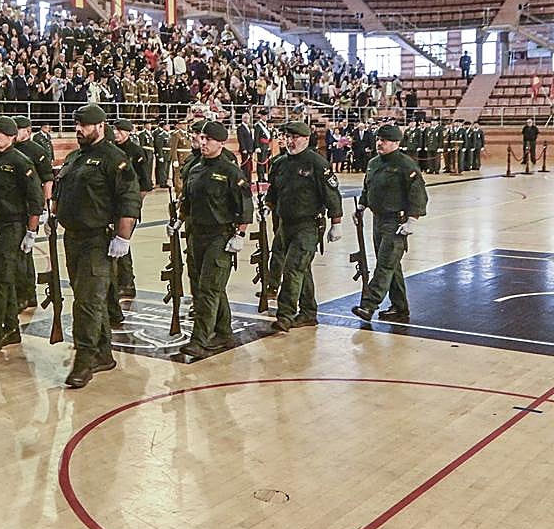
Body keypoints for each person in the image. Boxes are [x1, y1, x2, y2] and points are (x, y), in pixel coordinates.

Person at [51, 103, 141, 386]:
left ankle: (85, 358)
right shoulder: (75, 157)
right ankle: (103, 353)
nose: (79, 130)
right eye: (77, 124)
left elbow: (129, 201)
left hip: (97, 240)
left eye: (84, 125)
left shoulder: (115, 159)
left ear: (100, 126)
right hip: (73, 238)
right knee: (88, 297)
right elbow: (62, 189)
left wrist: (122, 238)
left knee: (87, 303)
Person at [179, 120, 254, 360]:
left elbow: (244, 206)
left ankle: (200, 340)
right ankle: (224, 331)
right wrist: (179, 221)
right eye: (201, 138)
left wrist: (240, 234)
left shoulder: (230, 171)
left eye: (208, 139)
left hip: (220, 236)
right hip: (196, 234)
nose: (202, 143)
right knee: (205, 286)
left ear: (221, 143)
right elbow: (187, 202)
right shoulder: (195, 168)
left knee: (209, 289)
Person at [265, 121, 343, 333]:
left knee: (293, 269)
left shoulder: (317, 163)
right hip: (285, 225)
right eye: (287, 137)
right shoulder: (280, 163)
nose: (290, 141)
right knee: (302, 269)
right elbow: (274, 190)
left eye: (295, 137)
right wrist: (267, 206)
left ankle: (285, 315)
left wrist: (336, 222)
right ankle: (308, 312)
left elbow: (331, 194)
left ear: (306, 139)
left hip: (308, 225)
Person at [0, 116, 43, 355]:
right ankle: (11, 329)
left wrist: (31, 231)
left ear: (12, 137)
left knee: (0, 279)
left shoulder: (20, 162)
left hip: (12, 226)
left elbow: (35, 199)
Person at [350, 124, 428, 323]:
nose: (379, 143)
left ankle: (369, 306)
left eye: (384, 141)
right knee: (392, 266)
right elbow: (369, 187)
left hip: (396, 222)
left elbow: (418, 194)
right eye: (378, 139)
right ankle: (400, 307)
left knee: (384, 265)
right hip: (378, 220)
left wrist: (412, 220)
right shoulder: (374, 163)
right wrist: (361, 205)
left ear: (396, 143)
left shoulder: (406, 165)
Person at [12, 115, 55, 311]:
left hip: (30, 207)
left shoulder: (36, 150)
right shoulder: (10, 150)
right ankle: (26, 294)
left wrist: (45, 207)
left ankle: (26, 294)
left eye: (18, 129)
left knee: (23, 254)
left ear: (27, 131)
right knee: (21, 255)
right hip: (14, 206)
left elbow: (47, 179)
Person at [110, 119, 153, 307]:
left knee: (122, 244)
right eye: (115, 130)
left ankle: (127, 283)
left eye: (120, 131)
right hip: (111, 206)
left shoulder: (136, 152)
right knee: (113, 245)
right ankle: (118, 281)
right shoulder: (112, 150)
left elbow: (145, 184)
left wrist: (134, 205)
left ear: (128, 132)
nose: (117, 134)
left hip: (127, 208)